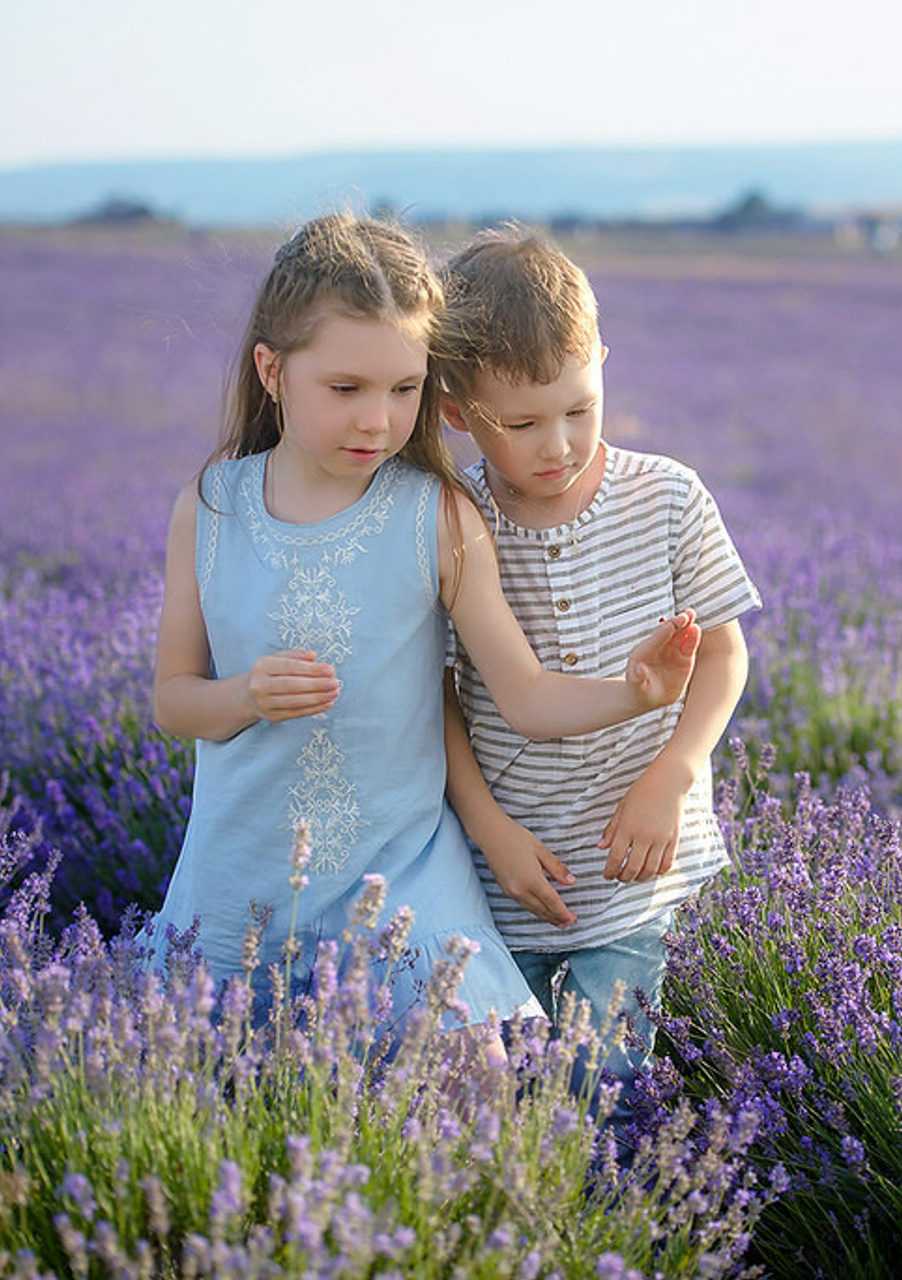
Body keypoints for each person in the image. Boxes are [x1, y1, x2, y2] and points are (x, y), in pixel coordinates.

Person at [145, 213, 701, 1055]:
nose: (378, 420)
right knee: (216, 1088)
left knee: (474, 1088)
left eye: (404, 390)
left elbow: (524, 695)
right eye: (346, 389)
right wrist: (245, 696)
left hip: (402, 875)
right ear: (271, 370)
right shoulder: (211, 507)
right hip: (241, 874)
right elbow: (173, 702)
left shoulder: (436, 515)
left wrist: (633, 693)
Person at [437, 228, 760, 1131]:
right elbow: (440, 702)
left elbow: (725, 654)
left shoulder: (668, 497)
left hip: (637, 859)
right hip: (510, 870)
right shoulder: (453, 519)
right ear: (458, 412)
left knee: (606, 1084)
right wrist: (490, 830)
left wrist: (673, 776)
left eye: (580, 408)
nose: (559, 445)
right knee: (503, 1096)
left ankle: (607, 1209)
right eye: (523, 424)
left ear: (603, 364)